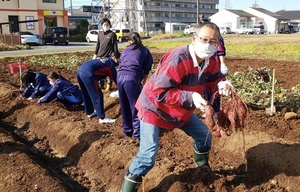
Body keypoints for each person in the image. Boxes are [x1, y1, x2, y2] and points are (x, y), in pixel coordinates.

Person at [120, 22, 234, 191]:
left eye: (213, 41)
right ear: (194, 38)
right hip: (154, 108)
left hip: (181, 110)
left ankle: (202, 170)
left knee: (205, 138)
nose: (209, 45)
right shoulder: (178, 59)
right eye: (204, 39)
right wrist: (190, 96)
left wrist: (221, 85)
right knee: (147, 156)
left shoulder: (213, 60)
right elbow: (159, 92)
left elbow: (213, 79)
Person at [117, 32, 153, 139]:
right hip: (131, 78)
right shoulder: (144, 50)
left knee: (124, 105)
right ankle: (137, 134)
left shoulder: (126, 50)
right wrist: (144, 80)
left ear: (129, 41)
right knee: (136, 106)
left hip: (119, 77)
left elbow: (121, 63)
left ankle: (127, 130)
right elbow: (147, 68)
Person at [77, 51, 120, 124]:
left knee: (86, 93)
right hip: (89, 74)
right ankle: (102, 118)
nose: (119, 62)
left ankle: (89, 112)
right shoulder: (111, 64)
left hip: (80, 71)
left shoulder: (105, 60)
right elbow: (116, 79)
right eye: (119, 59)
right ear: (115, 58)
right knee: (98, 95)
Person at [93, 18, 118, 91]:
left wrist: (115, 56)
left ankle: (108, 86)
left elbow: (115, 46)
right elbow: (98, 45)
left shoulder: (112, 34)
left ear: (109, 25)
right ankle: (101, 86)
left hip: (109, 56)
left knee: (109, 72)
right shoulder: (100, 34)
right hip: (100, 55)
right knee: (100, 71)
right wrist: (95, 54)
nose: (105, 26)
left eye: (107, 24)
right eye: (104, 25)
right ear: (102, 25)